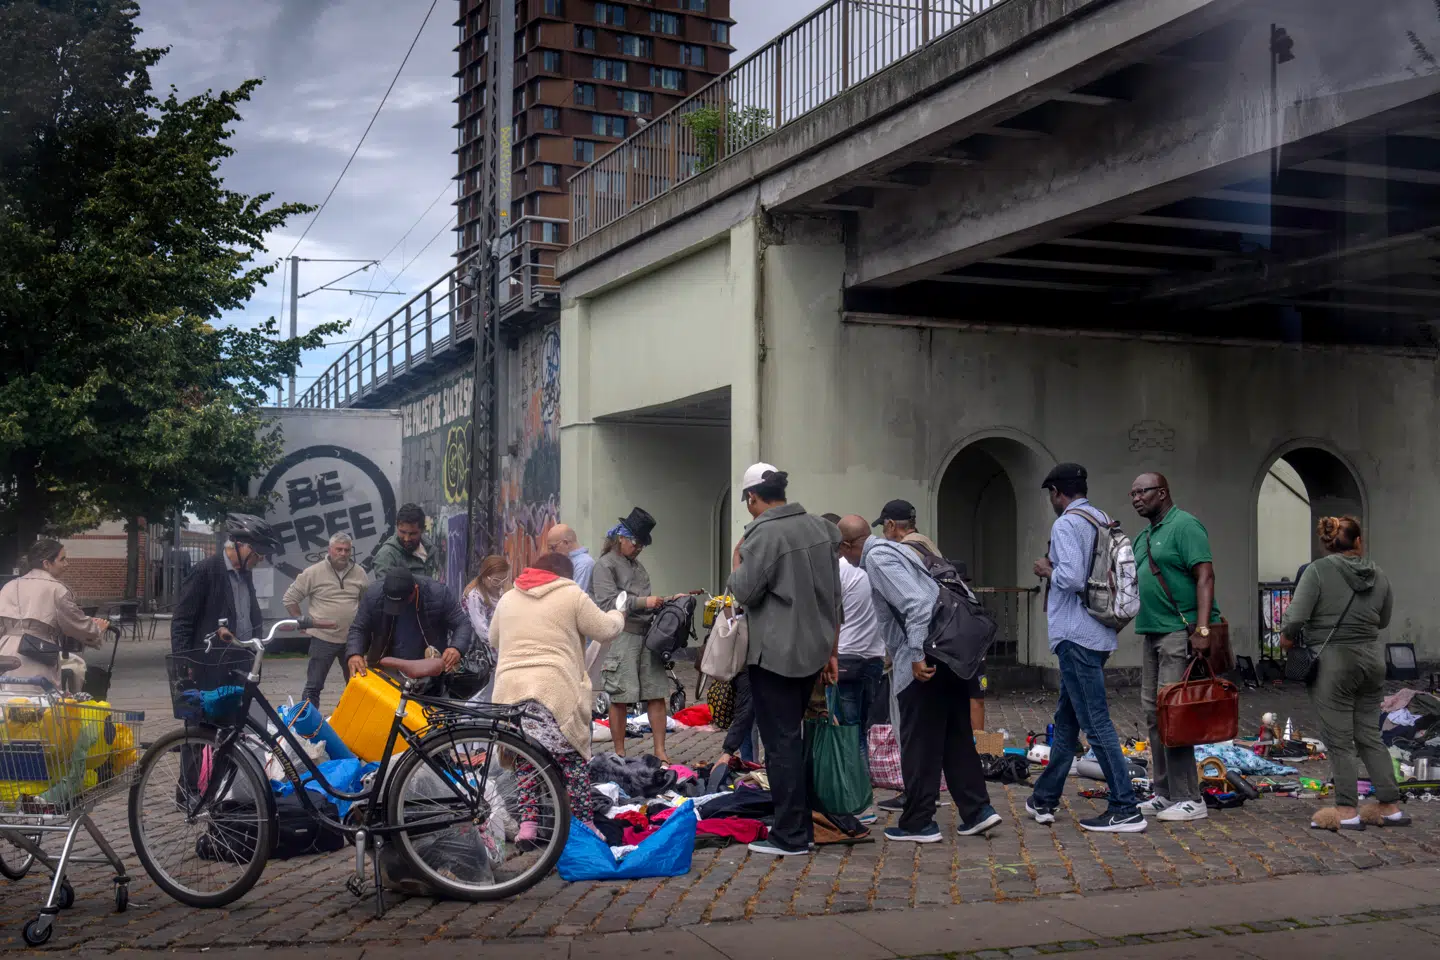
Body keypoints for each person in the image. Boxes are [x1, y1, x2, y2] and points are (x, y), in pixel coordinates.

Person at [839, 515, 1000, 843]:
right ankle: (977, 811)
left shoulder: (878, 558)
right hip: (946, 653)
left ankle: (918, 822)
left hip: (925, 659)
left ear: (847, 546)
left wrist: (915, 655)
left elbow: (917, 604)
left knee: (919, 744)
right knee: (955, 738)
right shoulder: (897, 549)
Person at [727, 465, 842, 857]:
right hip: (814, 649)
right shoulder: (821, 528)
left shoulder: (762, 535)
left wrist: (737, 559)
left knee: (781, 744)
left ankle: (791, 835)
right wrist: (831, 651)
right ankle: (804, 823)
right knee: (796, 737)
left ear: (752, 498)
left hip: (776, 652)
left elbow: (744, 591)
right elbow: (835, 597)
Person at [1027, 464, 1146, 833]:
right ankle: (1044, 798)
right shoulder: (1102, 518)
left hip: (1075, 635)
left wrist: (1047, 569)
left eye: (1050, 495)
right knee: (1066, 723)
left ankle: (1125, 807)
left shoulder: (1066, 523)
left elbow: (1072, 577)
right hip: (1098, 632)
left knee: (1096, 725)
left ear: (1057, 493)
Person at [1280, 516, 1408, 831]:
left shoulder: (1318, 571)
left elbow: (1296, 617)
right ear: (1358, 541)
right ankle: (1390, 806)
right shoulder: (1378, 574)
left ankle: (1347, 810)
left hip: (1333, 663)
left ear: (1327, 542)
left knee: (1339, 740)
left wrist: (1286, 638)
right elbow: (1383, 619)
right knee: (1369, 734)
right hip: (1371, 660)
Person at [490, 551, 626, 837]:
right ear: (564, 575)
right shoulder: (571, 594)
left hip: (510, 691)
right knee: (571, 760)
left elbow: (493, 638)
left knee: (525, 759)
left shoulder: (508, 598)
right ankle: (584, 825)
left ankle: (529, 826)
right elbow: (605, 630)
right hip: (552, 689)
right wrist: (618, 612)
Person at [1132, 472, 1220, 823]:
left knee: (1174, 714)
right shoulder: (1144, 536)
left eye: (1143, 492)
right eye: (1132, 493)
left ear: (1162, 492)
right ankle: (1164, 791)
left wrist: (1202, 628)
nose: (1136, 498)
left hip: (1178, 632)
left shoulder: (1185, 526)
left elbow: (1205, 576)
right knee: (1154, 714)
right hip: (1152, 631)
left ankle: (1190, 796)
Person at [591, 507, 675, 764]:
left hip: (646, 636)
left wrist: (666, 602)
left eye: (642, 544)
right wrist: (643, 603)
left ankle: (660, 751)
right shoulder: (604, 566)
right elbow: (607, 603)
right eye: (636, 542)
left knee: (656, 693)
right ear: (622, 539)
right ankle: (619, 752)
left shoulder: (638, 567)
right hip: (622, 636)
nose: (639, 548)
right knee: (620, 697)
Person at [0, 540, 108, 685]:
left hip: (5, 651)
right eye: (62, 559)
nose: (66, 564)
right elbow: (75, 622)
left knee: (9, 699)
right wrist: (96, 629)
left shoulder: (9, 586)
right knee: (39, 700)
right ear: (46, 564)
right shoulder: (56, 589)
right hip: (37, 650)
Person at [171, 514, 281, 654]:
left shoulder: (245, 574)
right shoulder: (204, 571)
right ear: (238, 545)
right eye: (258, 552)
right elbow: (182, 621)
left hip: (245, 658)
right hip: (212, 662)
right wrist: (182, 662)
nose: (260, 559)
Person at [284, 532, 371, 707]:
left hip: (352, 640)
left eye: (347, 550)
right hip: (323, 638)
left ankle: (351, 722)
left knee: (358, 685)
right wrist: (301, 620)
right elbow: (289, 598)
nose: (343, 554)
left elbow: (366, 602)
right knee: (314, 685)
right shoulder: (314, 572)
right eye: (339, 549)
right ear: (330, 550)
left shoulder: (359, 572)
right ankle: (308, 724)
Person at [345, 566, 472, 678]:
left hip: (428, 666)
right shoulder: (374, 595)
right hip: (386, 666)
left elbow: (462, 623)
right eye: (393, 604)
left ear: (415, 589)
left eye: (402, 602)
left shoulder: (437, 593)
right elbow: (359, 628)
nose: (398, 608)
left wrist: (456, 648)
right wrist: (355, 653)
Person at [460, 555, 509, 701]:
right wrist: (503, 646)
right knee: (481, 694)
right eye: (496, 580)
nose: (500, 584)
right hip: (481, 650)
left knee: (491, 690)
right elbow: (481, 630)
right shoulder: (475, 595)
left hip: (495, 648)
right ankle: (465, 719)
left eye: (503, 579)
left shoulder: (499, 591)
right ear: (485, 576)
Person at [371, 503, 437, 579]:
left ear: (422, 530)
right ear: (397, 526)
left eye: (412, 534)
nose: (407, 538)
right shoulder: (386, 557)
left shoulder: (429, 549)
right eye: (402, 532)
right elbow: (387, 589)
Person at [547, 524, 595, 594]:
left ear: (566, 543)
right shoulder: (565, 561)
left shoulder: (584, 563)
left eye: (553, 547)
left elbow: (576, 596)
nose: (552, 552)